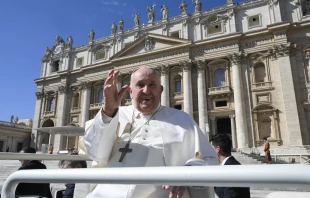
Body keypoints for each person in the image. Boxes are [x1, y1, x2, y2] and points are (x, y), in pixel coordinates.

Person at [80, 67, 219, 198]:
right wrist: (109, 111)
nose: (146, 90)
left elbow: (211, 160)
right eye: (140, 85)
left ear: (160, 90)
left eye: (152, 85)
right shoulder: (113, 114)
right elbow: (97, 155)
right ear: (130, 91)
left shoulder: (183, 119)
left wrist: (188, 173)